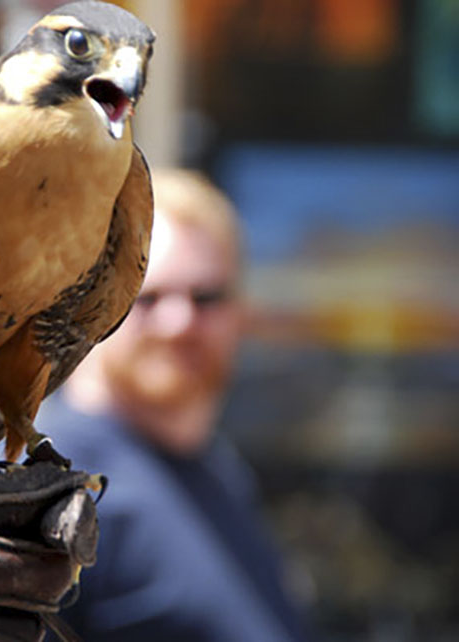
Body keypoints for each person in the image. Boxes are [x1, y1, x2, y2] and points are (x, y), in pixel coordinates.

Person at [39, 169, 312, 641]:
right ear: (95, 305)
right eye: (147, 298)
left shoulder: (218, 471)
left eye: (206, 297)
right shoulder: (44, 476)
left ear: (240, 314)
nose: (179, 322)